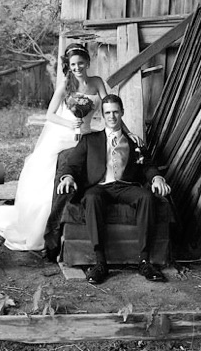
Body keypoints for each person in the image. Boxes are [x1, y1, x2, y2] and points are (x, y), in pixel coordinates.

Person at [0, 43, 108, 251]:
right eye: (73, 64)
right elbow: (50, 115)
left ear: (88, 63)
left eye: (81, 63)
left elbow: (108, 103)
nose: (77, 68)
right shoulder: (65, 86)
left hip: (86, 131)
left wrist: (109, 125)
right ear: (69, 65)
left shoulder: (96, 82)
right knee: (50, 169)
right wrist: (70, 124)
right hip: (65, 132)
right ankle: (45, 222)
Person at [55, 93, 172, 285]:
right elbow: (72, 164)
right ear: (102, 115)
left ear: (122, 113)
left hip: (126, 186)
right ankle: (100, 262)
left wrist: (157, 178)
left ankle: (144, 261)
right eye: (108, 112)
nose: (112, 116)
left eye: (116, 112)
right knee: (91, 198)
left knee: (147, 197)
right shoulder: (90, 140)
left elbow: (148, 165)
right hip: (100, 187)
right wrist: (67, 177)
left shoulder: (134, 141)